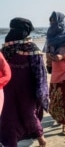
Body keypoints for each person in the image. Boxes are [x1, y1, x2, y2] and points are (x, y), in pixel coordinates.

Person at [0, 18, 48, 147]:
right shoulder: (29, 47)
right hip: (19, 90)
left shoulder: (5, 49)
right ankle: (37, 139)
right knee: (22, 116)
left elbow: (39, 74)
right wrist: (42, 93)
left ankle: (38, 140)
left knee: (16, 116)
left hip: (13, 91)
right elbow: (40, 74)